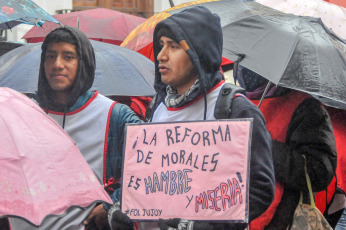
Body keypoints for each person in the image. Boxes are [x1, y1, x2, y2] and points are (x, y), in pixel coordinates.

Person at [108, 6, 275, 230]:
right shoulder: (157, 106)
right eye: (161, 45)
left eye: (174, 46)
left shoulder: (234, 110)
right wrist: (122, 207)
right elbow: (145, 179)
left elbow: (259, 189)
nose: (161, 55)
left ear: (200, 52)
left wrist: (205, 225)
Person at [8, 26, 142, 230]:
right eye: (50, 57)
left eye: (68, 57)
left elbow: (148, 171)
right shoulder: (21, 111)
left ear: (84, 63)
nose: (57, 65)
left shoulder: (114, 115)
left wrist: (113, 205)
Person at [233, 66, 338, 229]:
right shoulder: (235, 101)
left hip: (281, 221)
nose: (247, 70)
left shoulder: (307, 108)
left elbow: (319, 172)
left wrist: (264, 146)